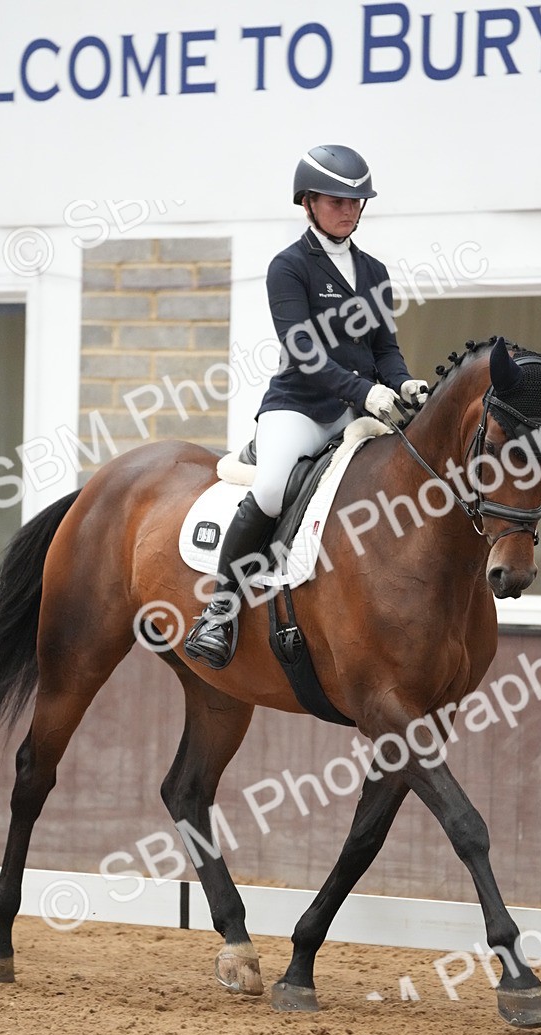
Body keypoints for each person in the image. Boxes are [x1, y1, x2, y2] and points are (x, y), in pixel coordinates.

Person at [184, 144, 427, 669]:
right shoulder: (289, 267)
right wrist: (366, 393)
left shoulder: (375, 272)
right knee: (272, 489)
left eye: (357, 201)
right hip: (300, 407)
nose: (349, 210)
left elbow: (384, 348)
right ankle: (220, 611)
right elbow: (304, 350)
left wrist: (404, 386)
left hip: (358, 411)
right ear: (308, 202)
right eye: (337, 200)